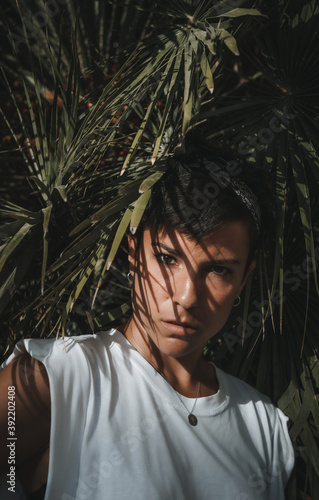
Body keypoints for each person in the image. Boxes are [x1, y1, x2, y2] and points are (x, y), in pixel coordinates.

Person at [0, 145, 295, 499]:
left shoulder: (266, 429)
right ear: (133, 252)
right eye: (168, 258)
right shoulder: (57, 378)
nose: (186, 297)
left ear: (243, 280)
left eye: (218, 269)